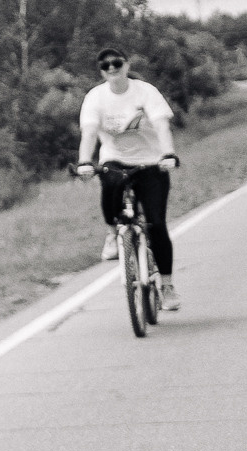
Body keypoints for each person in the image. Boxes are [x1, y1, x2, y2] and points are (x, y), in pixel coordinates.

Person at [76, 48, 181, 310]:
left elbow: (161, 125)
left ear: (126, 65)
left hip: (151, 161)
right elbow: (89, 132)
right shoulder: (95, 97)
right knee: (109, 183)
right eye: (105, 65)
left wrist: (168, 154)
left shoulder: (145, 92)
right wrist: (85, 161)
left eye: (116, 63)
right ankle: (113, 234)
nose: (112, 68)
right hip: (116, 158)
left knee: (157, 225)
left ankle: (167, 286)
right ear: (101, 71)